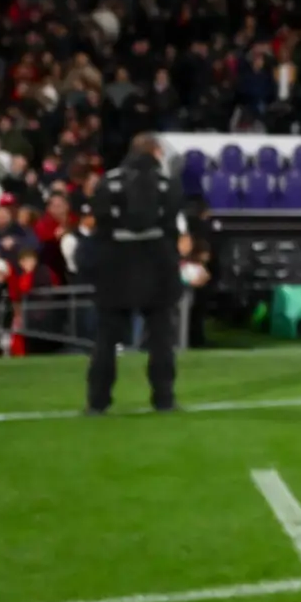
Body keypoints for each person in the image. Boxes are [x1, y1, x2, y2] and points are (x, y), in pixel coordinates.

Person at [85, 134, 185, 413]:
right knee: (161, 338)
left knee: (106, 338)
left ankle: (97, 401)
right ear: (155, 151)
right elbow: (170, 226)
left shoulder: (108, 181)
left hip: (115, 265)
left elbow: (101, 225)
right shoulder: (168, 183)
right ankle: (164, 398)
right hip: (156, 265)